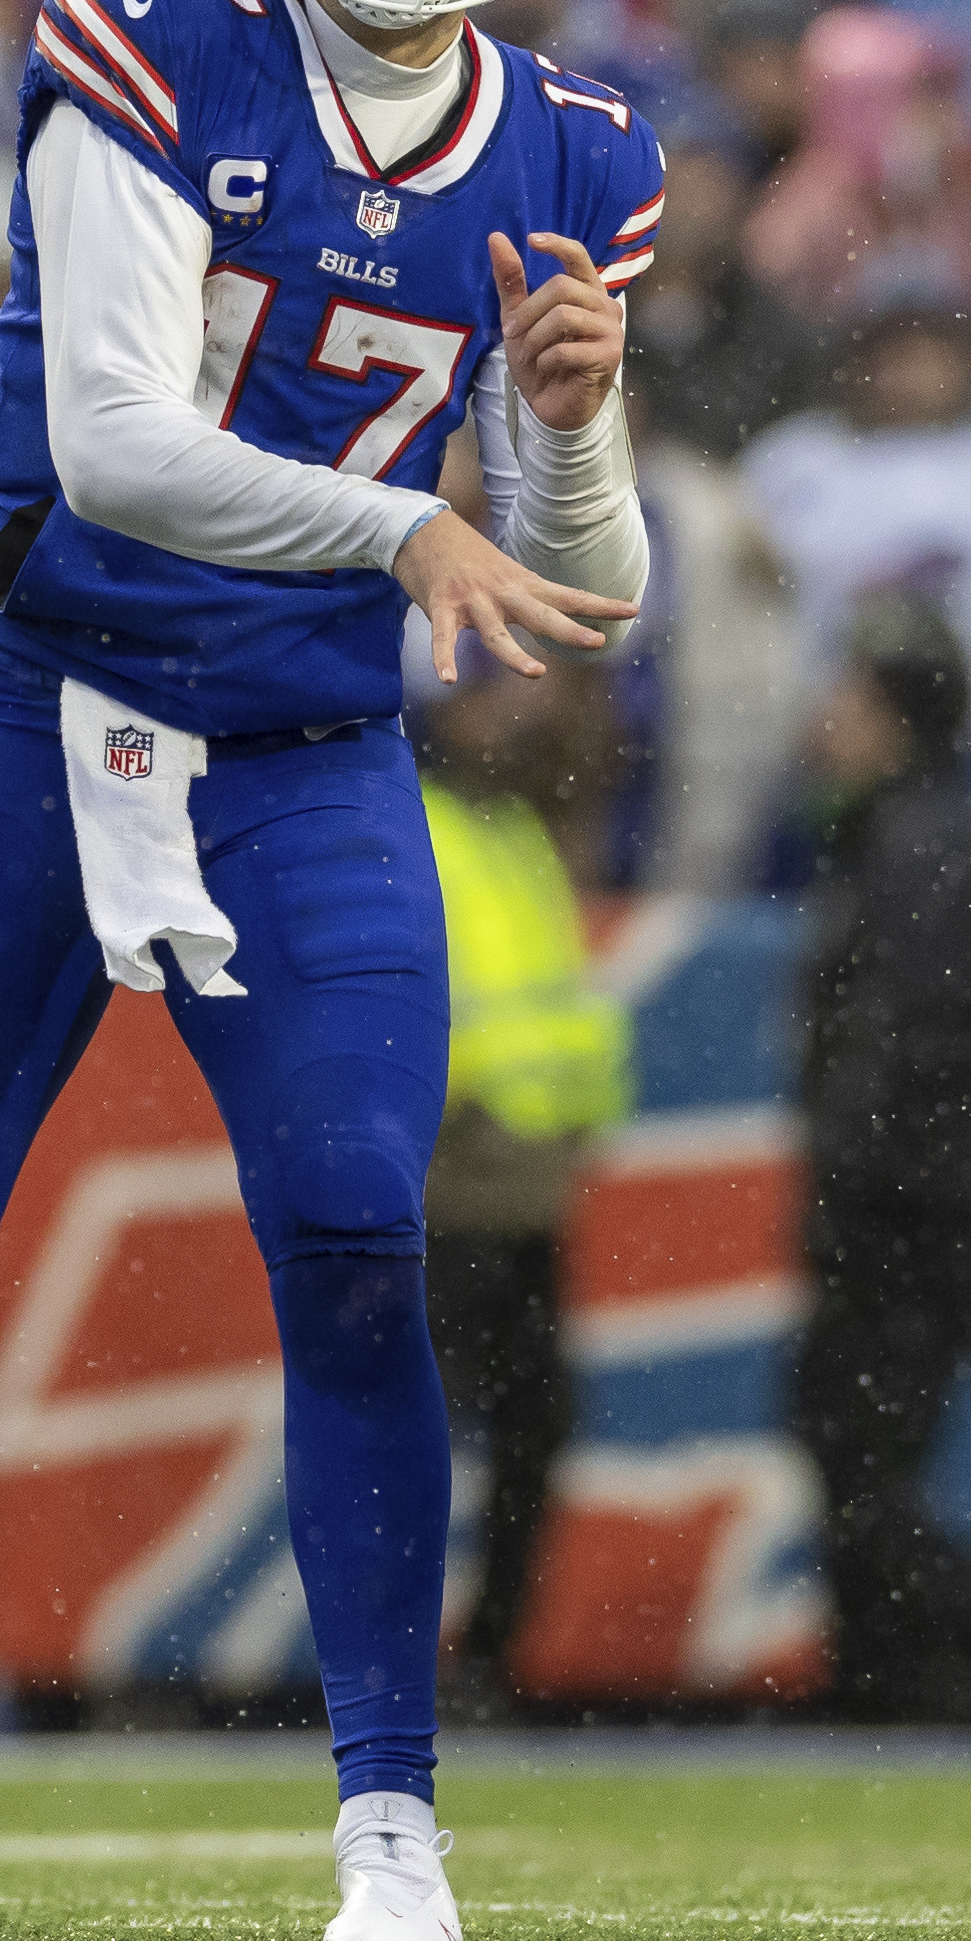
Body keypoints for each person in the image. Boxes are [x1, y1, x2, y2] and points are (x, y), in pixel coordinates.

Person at [0, 0, 662, 1941]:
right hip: (31, 709)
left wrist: (553, 422)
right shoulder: (150, 29)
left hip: (294, 754)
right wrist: (400, 527)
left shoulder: (568, 149)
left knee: (357, 1232)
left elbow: (590, 576)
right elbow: (119, 447)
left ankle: (386, 1811)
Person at [784, 590, 971, 1725]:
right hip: (934, 1204)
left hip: (912, 1212)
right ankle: (893, 1670)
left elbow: (897, 1052)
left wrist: (847, 1193)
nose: (825, 714)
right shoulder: (928, 835)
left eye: (848, 692)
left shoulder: (916, 847)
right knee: (849, 1443)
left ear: (895, 712)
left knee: (854, 1449)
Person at [418, 652, 625, 1715]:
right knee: (422, 1433)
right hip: (447, 1185)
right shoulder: (430, 821)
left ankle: (483, 1656)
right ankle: (410, 1655)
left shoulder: (500, 824)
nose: (513, 715)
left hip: (518, 1188)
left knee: (519, 1428)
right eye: (489, 693)